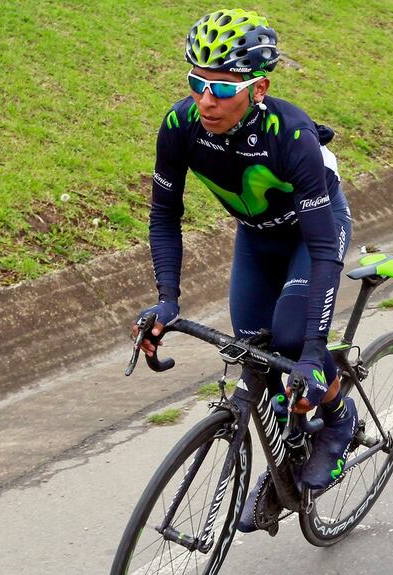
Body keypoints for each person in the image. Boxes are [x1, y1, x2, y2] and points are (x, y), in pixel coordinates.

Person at [132, 8, 356, 533]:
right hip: (257, 240)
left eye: (223, 88)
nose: (206, 100)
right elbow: (165, 215)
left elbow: (324, 252)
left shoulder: (292, 135)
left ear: (259, 89)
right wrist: (168, 297)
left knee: (291, 340)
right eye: (196, 82)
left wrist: (315, 350)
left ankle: (338, 416)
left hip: (312, 238)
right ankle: (289, 446)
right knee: (254, 348)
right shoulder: (181, 125)